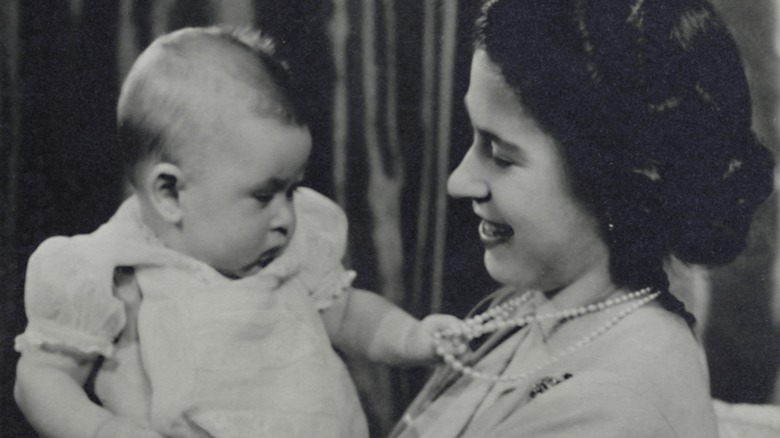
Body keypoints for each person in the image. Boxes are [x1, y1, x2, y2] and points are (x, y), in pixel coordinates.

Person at [13, 26, 460, 438]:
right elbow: (42, 380)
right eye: (264, 196)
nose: (286, 215)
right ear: (170, 193)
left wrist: (412, 337)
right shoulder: (111, 269)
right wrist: (104, 430)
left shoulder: (295, 244)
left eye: (293, 189)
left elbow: (345, 315)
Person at [391, 0, 775, 437]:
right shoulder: (539, 300)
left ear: (611, 179)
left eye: (499, 155)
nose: (459, 182)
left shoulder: (607, 412)